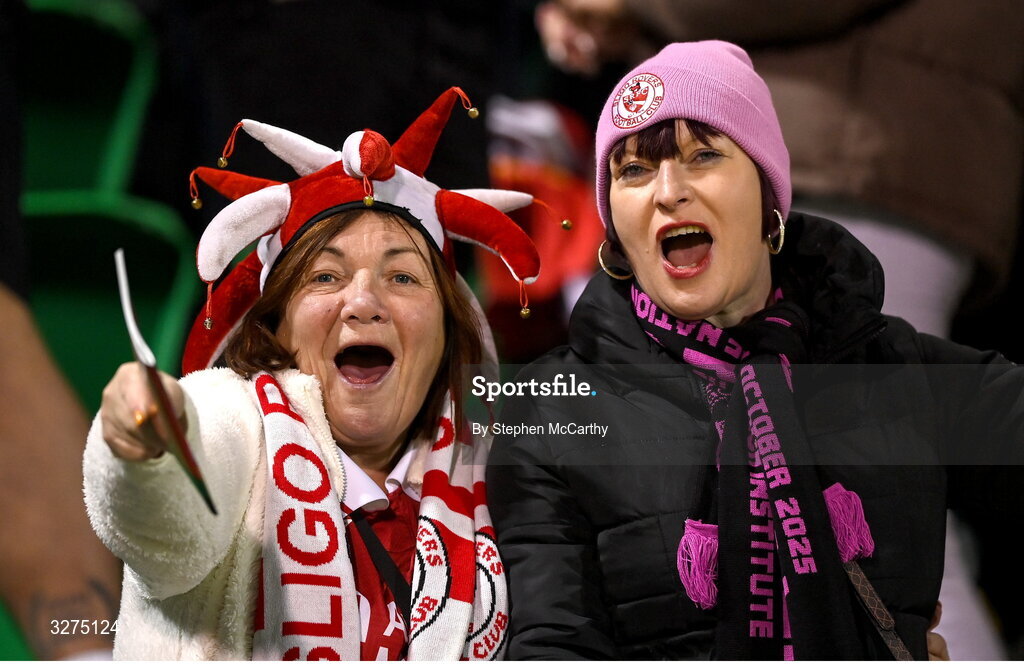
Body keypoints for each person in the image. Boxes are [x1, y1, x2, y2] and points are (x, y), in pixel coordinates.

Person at [486, 41, 1018, 659]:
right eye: (633, 171)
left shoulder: (899, 369)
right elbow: (555, 644)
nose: (668, 191)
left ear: (769, 204)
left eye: (703, 156)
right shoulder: (551, 414)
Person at [83, 88, 536, 660]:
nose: (364, 302)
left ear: (448, 327)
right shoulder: (237, 427)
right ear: (276, 328)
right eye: (325, 278)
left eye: (403, 278)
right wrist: (140, 451)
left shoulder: (506, 467)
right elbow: (168, 518)